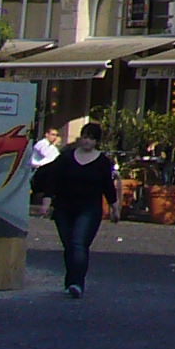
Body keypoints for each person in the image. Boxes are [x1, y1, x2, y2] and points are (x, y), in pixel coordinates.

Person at [30, 124, 117, 299]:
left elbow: (108, 186)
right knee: (69, 245)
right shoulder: (66, 158)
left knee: (79, 243)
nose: (87, 141)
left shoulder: (102, 162)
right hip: (64, 207)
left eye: (91, 138)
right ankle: (70, 281)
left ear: (97, 141)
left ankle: (77, 283)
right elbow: (52, 179)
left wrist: (115, 208)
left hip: (89, 209)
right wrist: (47, 201)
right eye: (85, 137)